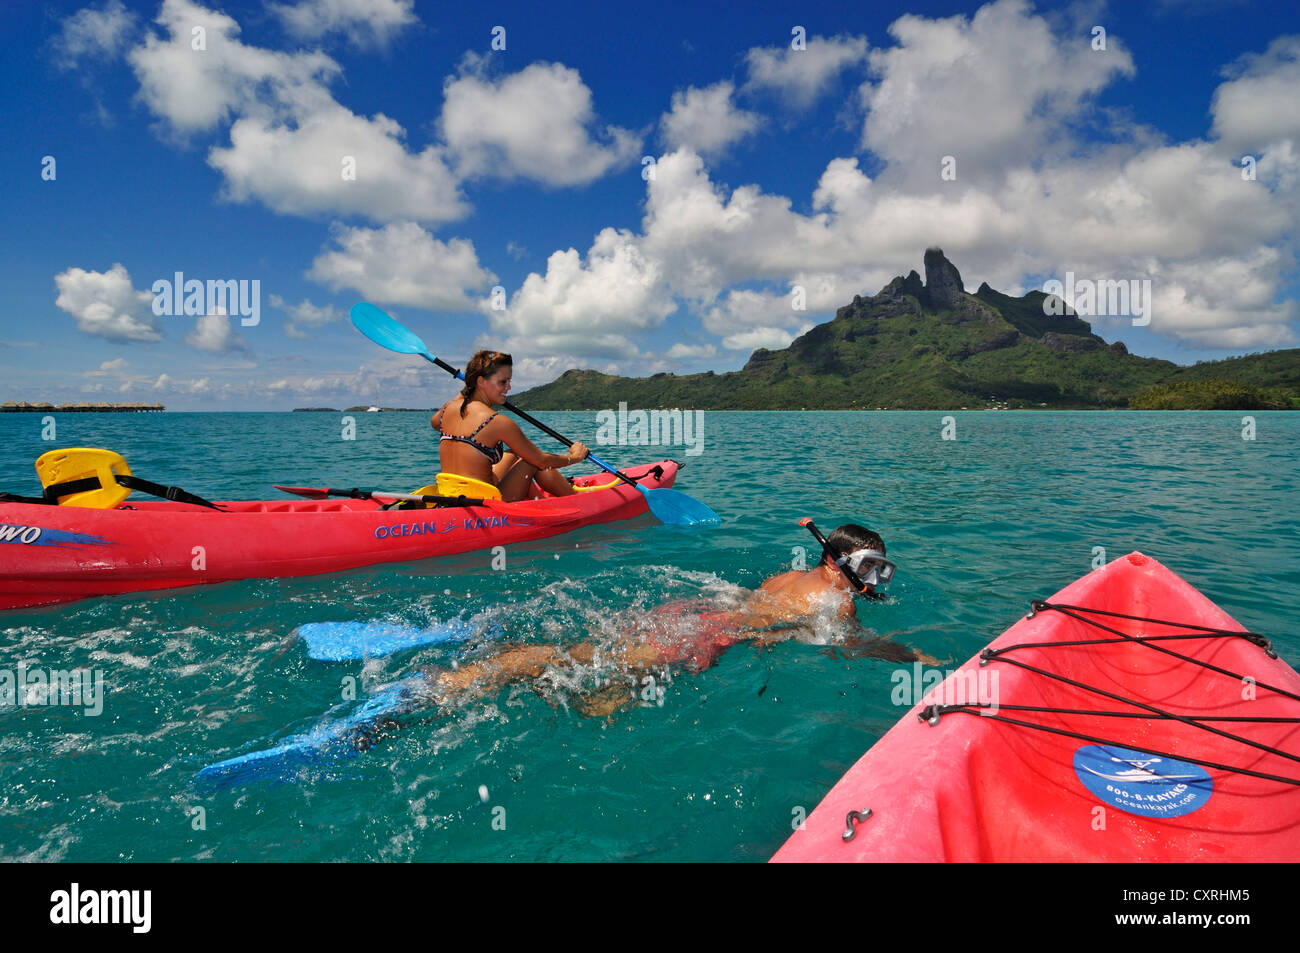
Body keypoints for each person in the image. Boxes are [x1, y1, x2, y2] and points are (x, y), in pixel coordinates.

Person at [418, 524, 934, 717]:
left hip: (694, 610)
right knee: (585, 664)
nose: (873, 580)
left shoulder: (787, 576)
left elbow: (759, 609)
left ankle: (528, 670)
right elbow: (852, 645)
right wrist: (914, 657)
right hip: (707, 632)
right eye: (868, 567)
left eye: (880, 569)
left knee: (608, 685)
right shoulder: (837, 601)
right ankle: (479, 675)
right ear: (835, 560)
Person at [431, 350, 589, 502]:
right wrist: (575, 457)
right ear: (481, 382)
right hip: (486, 504)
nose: (509, 387)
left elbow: (435, 423)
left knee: (514, 453)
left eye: (509, 381)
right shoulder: (496, 421)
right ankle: (576, 500)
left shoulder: (448, 408)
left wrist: (470, 386)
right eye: (502, 382)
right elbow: (541, 461)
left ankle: (538, 501)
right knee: (532, 461)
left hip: (453, 494)